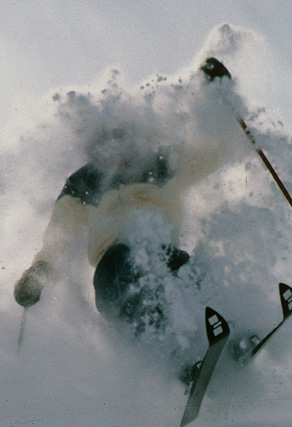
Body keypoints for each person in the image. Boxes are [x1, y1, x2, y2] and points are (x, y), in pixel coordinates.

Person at [13, 58, 237, 335]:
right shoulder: (84, 183)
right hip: (114, 272)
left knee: (182, 268)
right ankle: (163, 345)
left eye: (124, 137)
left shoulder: (162, 164)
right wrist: (39, 274)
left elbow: (213, 153)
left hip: (161, 252)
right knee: (119, 261)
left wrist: (222, 103)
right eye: (107, 141)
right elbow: (60, 235)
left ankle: (223, 331)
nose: (117, 148)